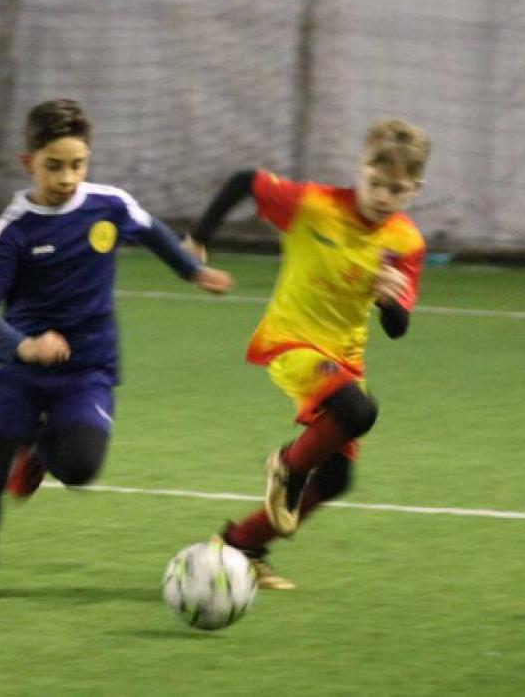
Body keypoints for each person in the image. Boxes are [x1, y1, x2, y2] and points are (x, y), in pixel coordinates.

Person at [0, 98, 233, 597]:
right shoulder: (9, 233)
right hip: (20, 371)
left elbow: (153, 234)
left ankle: (38, 450)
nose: (67, 178)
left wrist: (193, 271)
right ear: (28, 162)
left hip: (87, 368)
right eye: (54, 166)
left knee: (80, 469)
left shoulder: (109, 205)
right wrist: (25, 347)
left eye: (77, 165)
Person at [183, 118, 431, 589]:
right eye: (375, 183)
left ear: (414, 190)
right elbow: (245, 182)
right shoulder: (314, 206)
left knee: (337, 478)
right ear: (359, 169)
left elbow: (397, 328)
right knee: (358, 411)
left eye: (396, 190)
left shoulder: (406, 243)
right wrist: (199, 238)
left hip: (344, 357)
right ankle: (287, 467)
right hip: (291, 341)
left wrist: (388, 300)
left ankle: (240, 545)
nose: (382, 196)